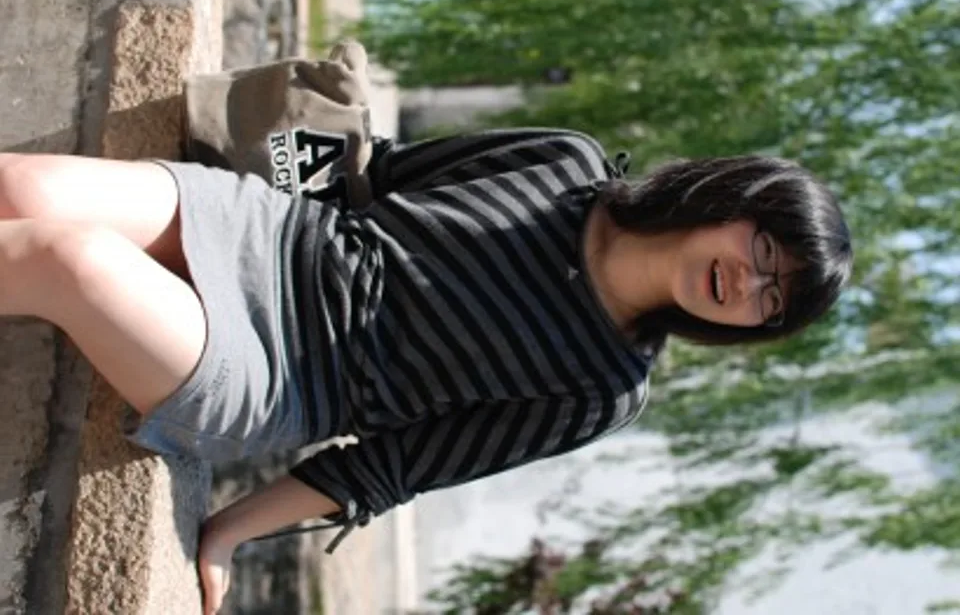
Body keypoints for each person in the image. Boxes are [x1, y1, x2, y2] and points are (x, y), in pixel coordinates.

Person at [0, 128, 852, 613]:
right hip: (274, 233)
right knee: (21, 189)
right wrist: (255, 149)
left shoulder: (607, 388)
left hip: (277, 373)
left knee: (69, 261)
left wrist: (227, 531)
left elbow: (402, 464)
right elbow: (380, 173)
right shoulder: (566, 161)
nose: (749, 285)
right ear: (732, 199)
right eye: (763, 251)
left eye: (771, 301)